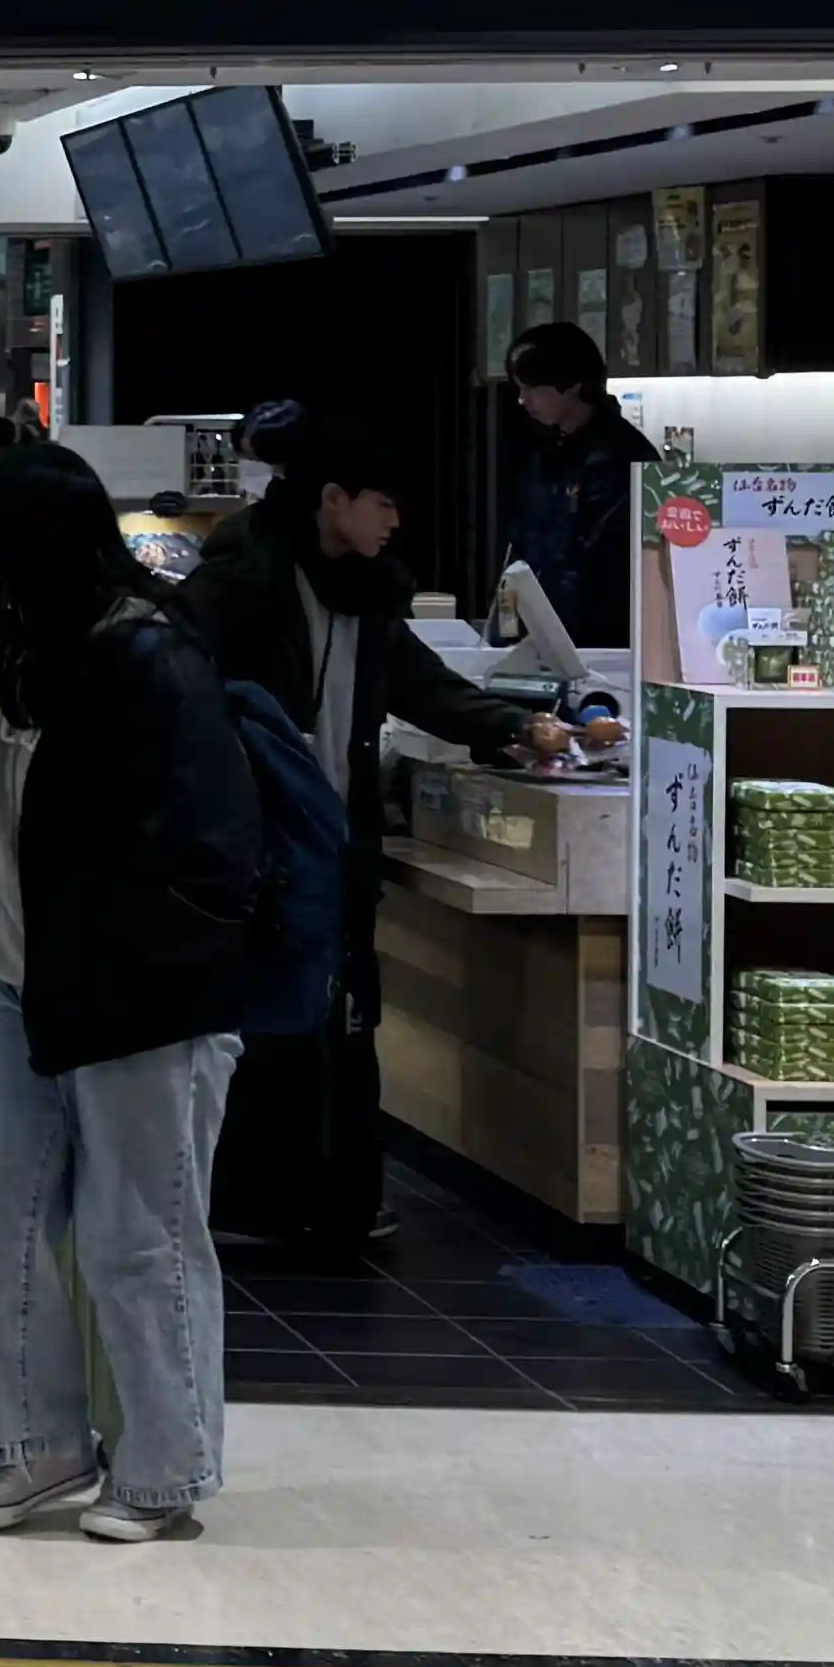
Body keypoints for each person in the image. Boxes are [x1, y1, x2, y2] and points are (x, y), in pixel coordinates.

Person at [0, 430, 264, 1544]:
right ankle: (33, 1445)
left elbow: (212, 847)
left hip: (140, 999)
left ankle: (165, 1474)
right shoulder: (3, 648)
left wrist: (150, 964)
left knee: (139, 1237)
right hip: (18, 981)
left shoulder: (152, 657)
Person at [176, 409, 572, 1257]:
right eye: (382, 502)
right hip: (259, 842)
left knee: (342, 1016)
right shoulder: (238, 584)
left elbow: (417, 683)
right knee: (273, 1019)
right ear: (332, 499)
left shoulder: (362, 588)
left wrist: (511, 723)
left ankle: (336, 1200)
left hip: (331, 837)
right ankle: (253, 1200)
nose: (394, 521)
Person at [498, 322, 651, 651]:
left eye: (533, 388)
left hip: (598, 637)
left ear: (570, 383)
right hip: (543, 629)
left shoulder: (620, 455)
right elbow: (524, 540)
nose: (523, 400)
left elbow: (597, 562)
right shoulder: (548, 449)